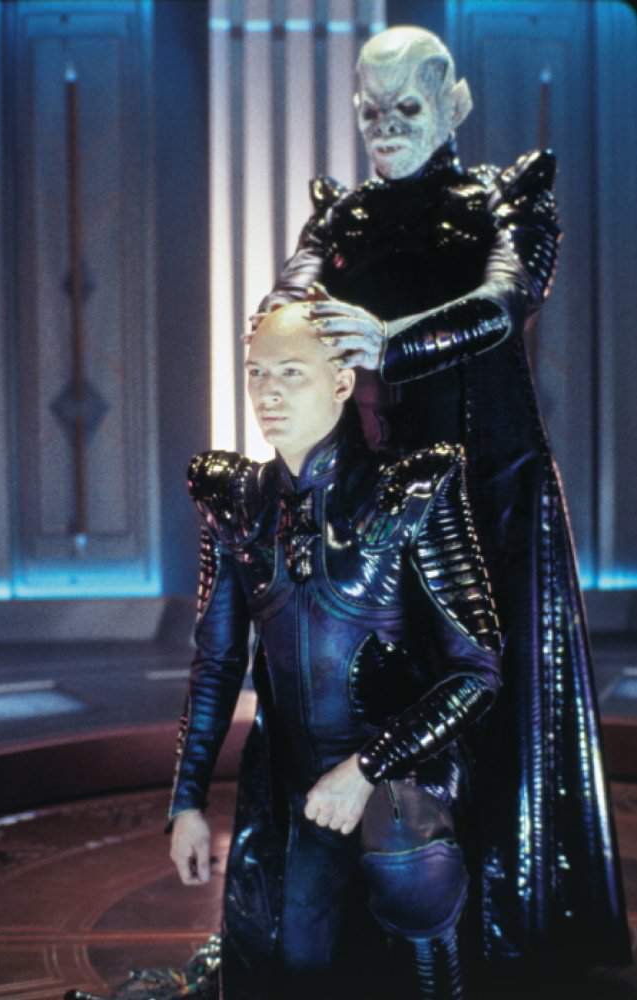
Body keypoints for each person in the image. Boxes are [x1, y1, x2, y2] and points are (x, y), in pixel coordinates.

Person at [256, 25, 631, 974]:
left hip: (493, 499)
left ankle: (503, 933)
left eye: (407, 107)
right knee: (377, 697)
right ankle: (376, 931)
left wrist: (390, 342)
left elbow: (504, 300)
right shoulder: (337, 221)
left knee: (495, 703)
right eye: (370, 110)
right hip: (378, 509)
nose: (385, 126)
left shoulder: (507, 198)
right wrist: (295, 334)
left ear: (454, 104)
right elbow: (286, 303)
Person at [168, 301, 503, 999]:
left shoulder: (413, 486)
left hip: (403, 777)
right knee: (292, 969)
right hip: (292, 785)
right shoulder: (233, 501)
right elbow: (217, 663)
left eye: (292, 372)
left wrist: (368, 768)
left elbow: (476, 671)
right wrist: (186, 801)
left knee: (408, 856)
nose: (268, 392)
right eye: (257, 373)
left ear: (342, 383)